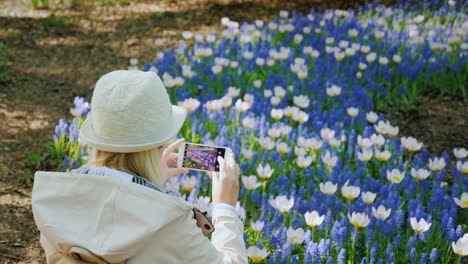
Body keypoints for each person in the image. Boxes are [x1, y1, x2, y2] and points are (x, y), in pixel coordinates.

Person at [31, 70, 247, 263]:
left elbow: (109, 216)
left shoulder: (57, 199)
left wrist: (147, 184)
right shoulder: (167, 223)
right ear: (161, 145)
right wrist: (225, 209)